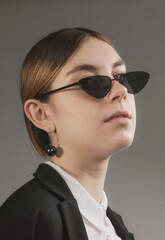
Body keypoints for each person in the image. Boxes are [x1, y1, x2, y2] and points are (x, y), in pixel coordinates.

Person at [0, 27, 149, 240]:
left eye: (121, 76)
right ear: (41, 114)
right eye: (90, 82)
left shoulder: (115, 228)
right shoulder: (25, 217)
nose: (121, 91)